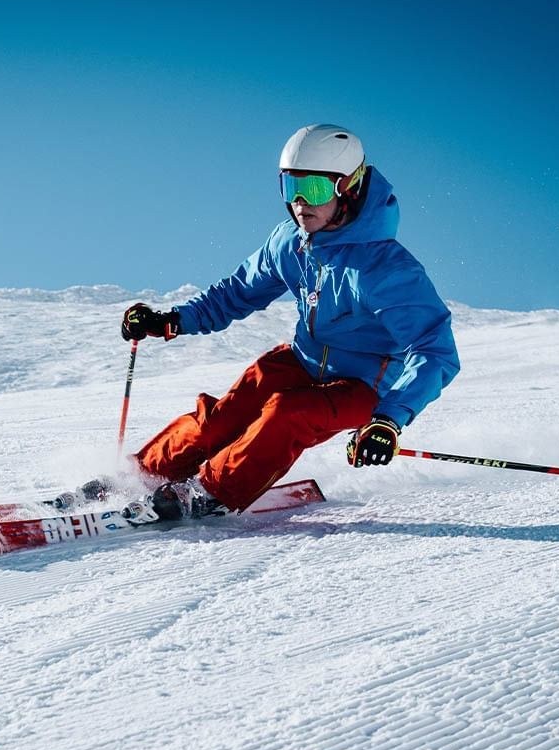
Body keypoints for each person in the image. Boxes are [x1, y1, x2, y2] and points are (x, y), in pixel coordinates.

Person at [118, 123, 460, 521]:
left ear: (347, 187)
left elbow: (434, 351)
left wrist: (389, 420)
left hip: (366, 385)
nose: (299, 202)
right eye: (289, 187)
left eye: (313, 189)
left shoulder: (386, 269)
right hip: (302, 360)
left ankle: (208, 492)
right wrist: (171, 320)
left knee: (289, 412)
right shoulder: (290, 241)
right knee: (225, 416)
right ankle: (140, 475)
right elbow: (236, 292)